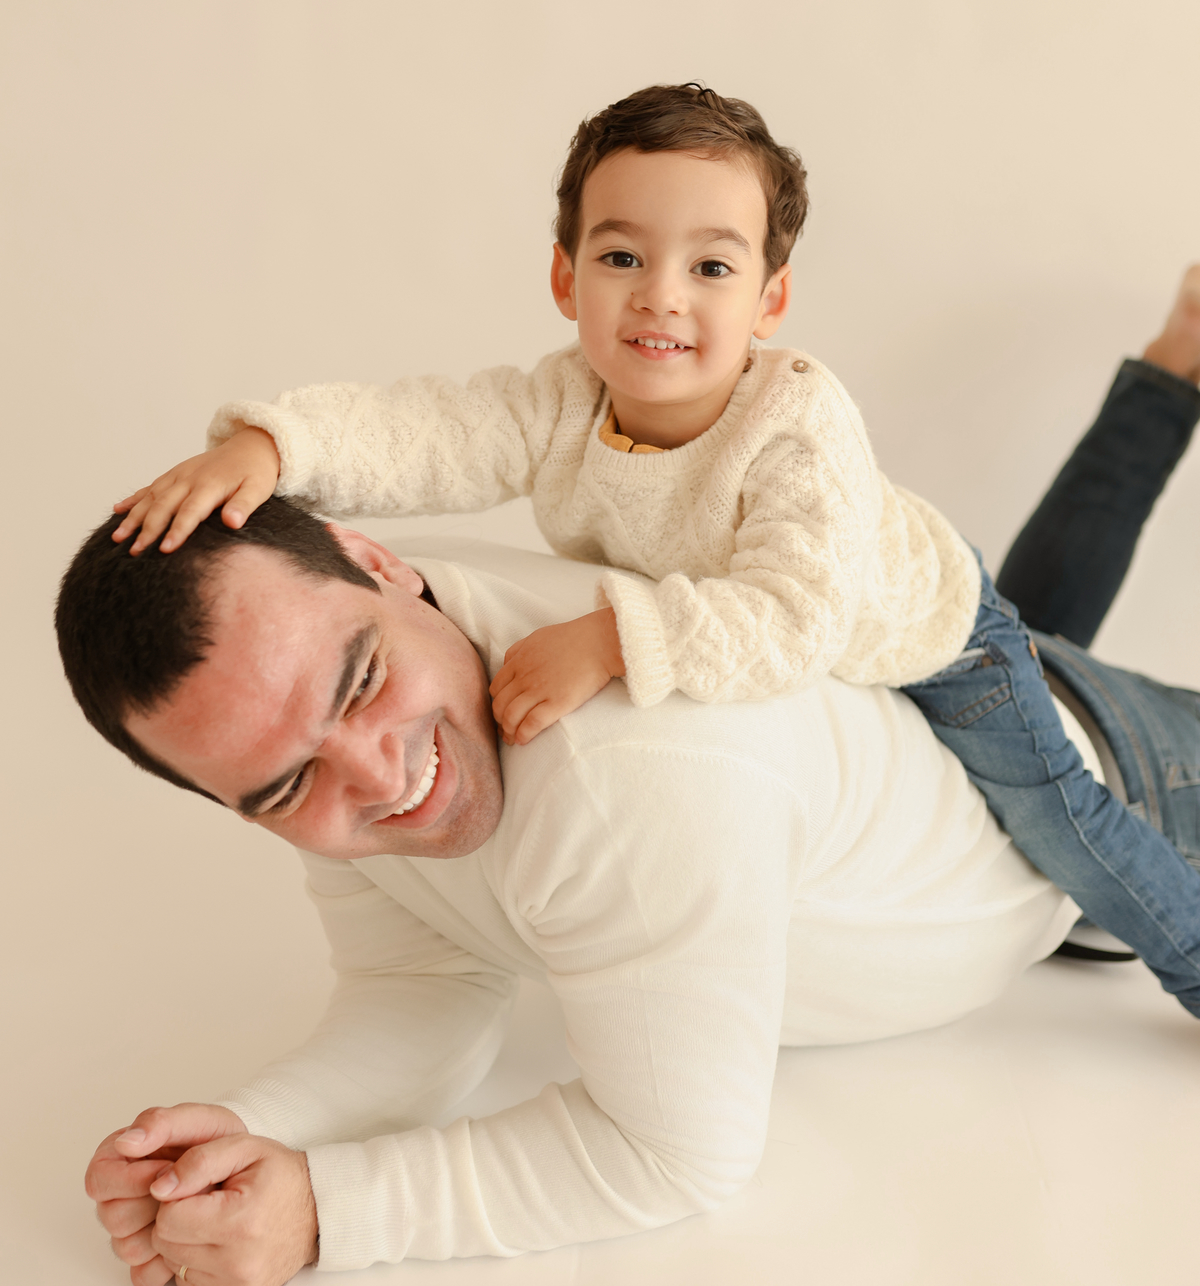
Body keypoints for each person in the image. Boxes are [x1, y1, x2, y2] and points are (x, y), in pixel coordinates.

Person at [59, 304, 1200, 1286]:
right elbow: (427, 979)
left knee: (1020, 648)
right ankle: (1174, 366)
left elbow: (674, 1157)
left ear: (374, 559)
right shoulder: (340, 645)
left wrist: (327, 1214)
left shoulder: (635, 783)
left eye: (360, 683)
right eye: (285, 787)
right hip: (935, 686)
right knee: (1017, 626)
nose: (377, 776)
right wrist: (241, 1142)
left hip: (1122, 779)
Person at [108, 80, 1200, 1035]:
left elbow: (794, 618)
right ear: (564, 277)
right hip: (834, 626)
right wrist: (274, 448)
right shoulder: (563, 401)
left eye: (711, 265)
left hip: (938, 642)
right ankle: (1170, 377)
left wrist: (612, 642)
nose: (661, 294)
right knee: (1059, 635)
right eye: (622, 256)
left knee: (1070, 820)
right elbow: (429, 431)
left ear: (769, 299)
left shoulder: (796, 421)